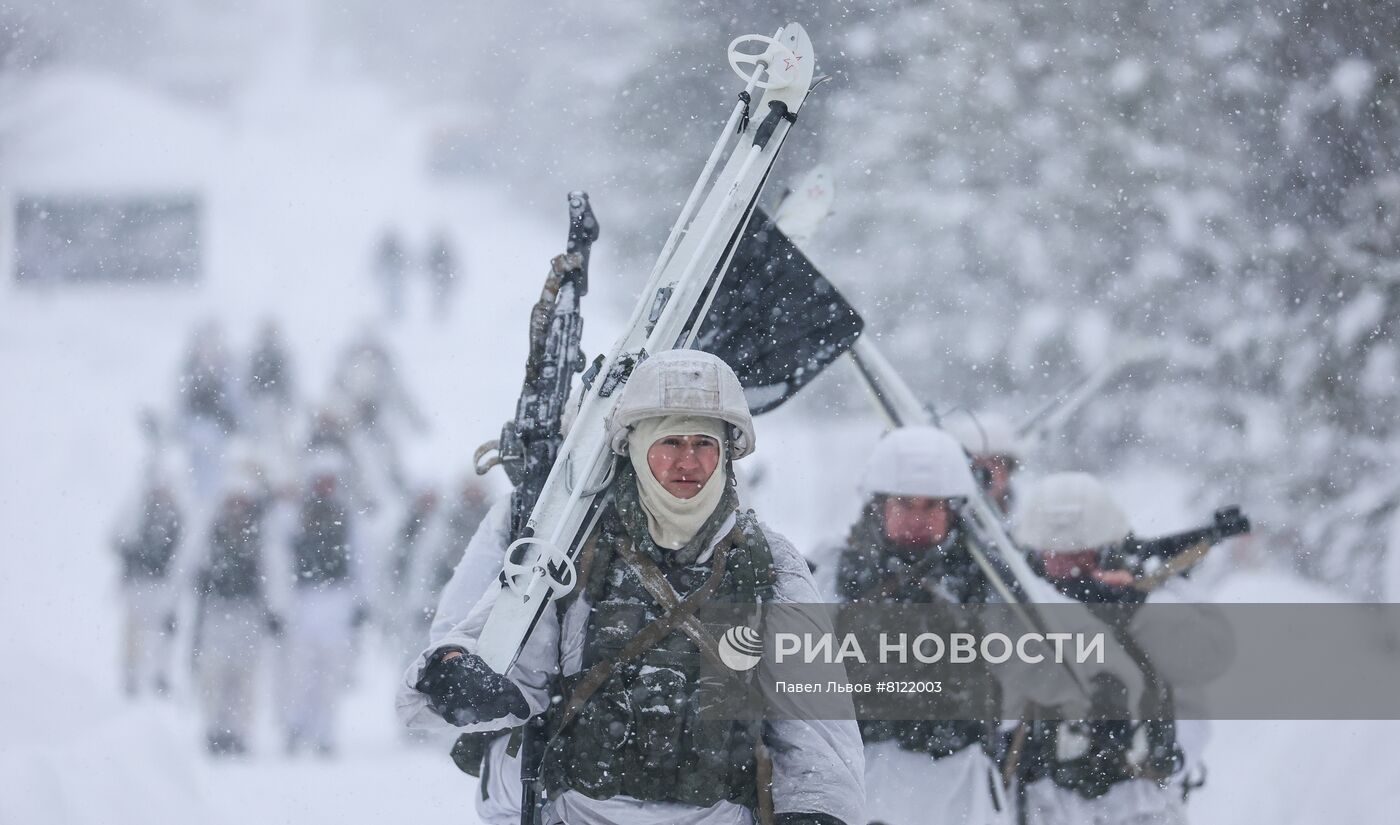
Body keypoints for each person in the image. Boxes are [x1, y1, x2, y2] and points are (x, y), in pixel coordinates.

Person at [397, 349, 865, 825]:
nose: (688, 461)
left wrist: (815, 812)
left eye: (704, 443)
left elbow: (815, 722)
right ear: (636, 447)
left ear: (726, 451)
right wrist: (454, 669)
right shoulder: (572, 547)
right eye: (670, 442)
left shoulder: (769, 561)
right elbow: (511, 666)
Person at [1009, 472, 1233, 825]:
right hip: (1042, 803)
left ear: (1109, 550)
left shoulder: (1150, 595)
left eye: (1081, 557)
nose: (1069, 571)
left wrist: (1135, 608)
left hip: (1141, 803)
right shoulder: (1017, 606)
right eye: (1056, 557)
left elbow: (1210, 661)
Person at [835, 426, 1012, 825]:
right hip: (867, 773)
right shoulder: (834, 571)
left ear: (952, 510)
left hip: (957, 781)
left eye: (932, 506)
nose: (918, 518)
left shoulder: (990, 580)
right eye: (905, 504)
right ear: (879, 506)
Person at [186, 454, 290, 756]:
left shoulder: (261, 532)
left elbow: (274, 570)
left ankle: (239, 732)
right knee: (213, 674)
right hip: (217, 612)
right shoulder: (211, 529)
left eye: (242, 501)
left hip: (248, 614)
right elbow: (191, 562)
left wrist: (276, 610)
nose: (237, 507)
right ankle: (214, 729)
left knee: (244, 677)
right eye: (233, 501)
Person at [279, 451, 370, 756]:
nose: (324, 487)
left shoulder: (348, 515)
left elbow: (361, 558)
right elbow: (280, 558)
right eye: (320, 481)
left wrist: (361, 601)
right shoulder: (295, 514)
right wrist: (280, 601)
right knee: (299, 670)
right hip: (304, 599)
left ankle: (325, 733)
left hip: (337, 599)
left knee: (330, 672)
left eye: (329, 481)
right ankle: (295, 727)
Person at [111, 459, 186, 697]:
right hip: (139, 581)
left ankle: (159, 674)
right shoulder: (136, 510)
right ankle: (131, 675)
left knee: (164, 630)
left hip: (163, 584)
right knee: (134, 630)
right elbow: (117, 537)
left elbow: (185, 553)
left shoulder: (179, 516)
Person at [943, 411, 1022, 515]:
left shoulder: (1025, 514)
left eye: (994, 462)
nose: (985, 471)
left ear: (1006, 471)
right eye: (976, 463)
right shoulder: (949, 518)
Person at [426, 230, 460, 322]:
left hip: (442, 279)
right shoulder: (439, 251)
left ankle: (442, 315)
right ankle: (439, 315)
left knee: (441, 298)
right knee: (439, 298)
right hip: (440, 279)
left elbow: (452, 264)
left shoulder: (441, 251)